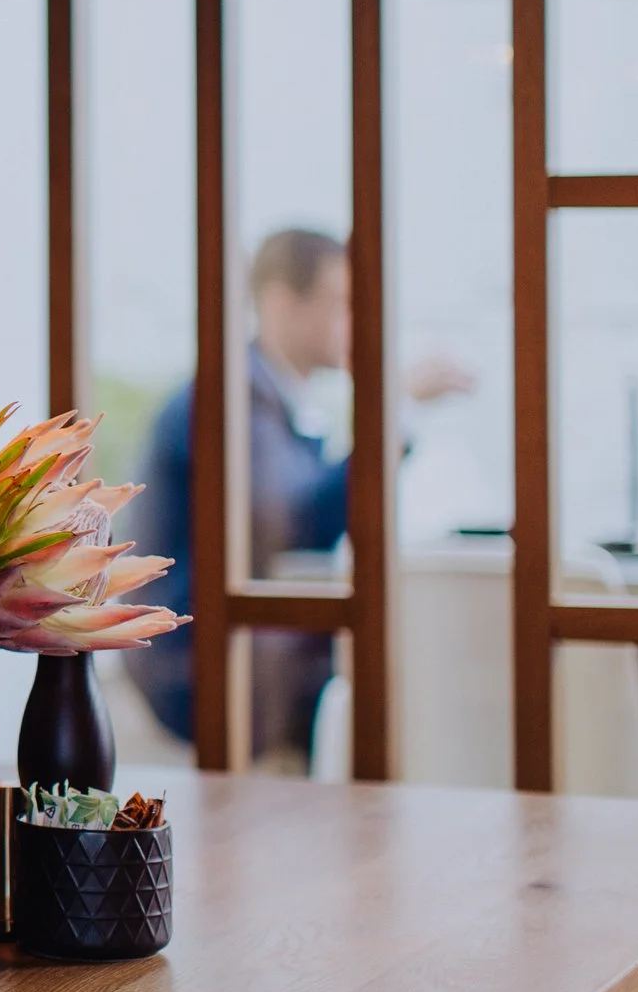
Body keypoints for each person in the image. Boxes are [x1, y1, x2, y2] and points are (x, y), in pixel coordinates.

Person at [122, 229, 473, 764]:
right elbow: (295, 522)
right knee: (406, 674)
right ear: (282, 303)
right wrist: (394, 408)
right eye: (339, 303)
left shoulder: (270, 399)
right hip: (194, 665)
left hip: (231, 647)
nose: (353, 322)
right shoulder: (230, 400)